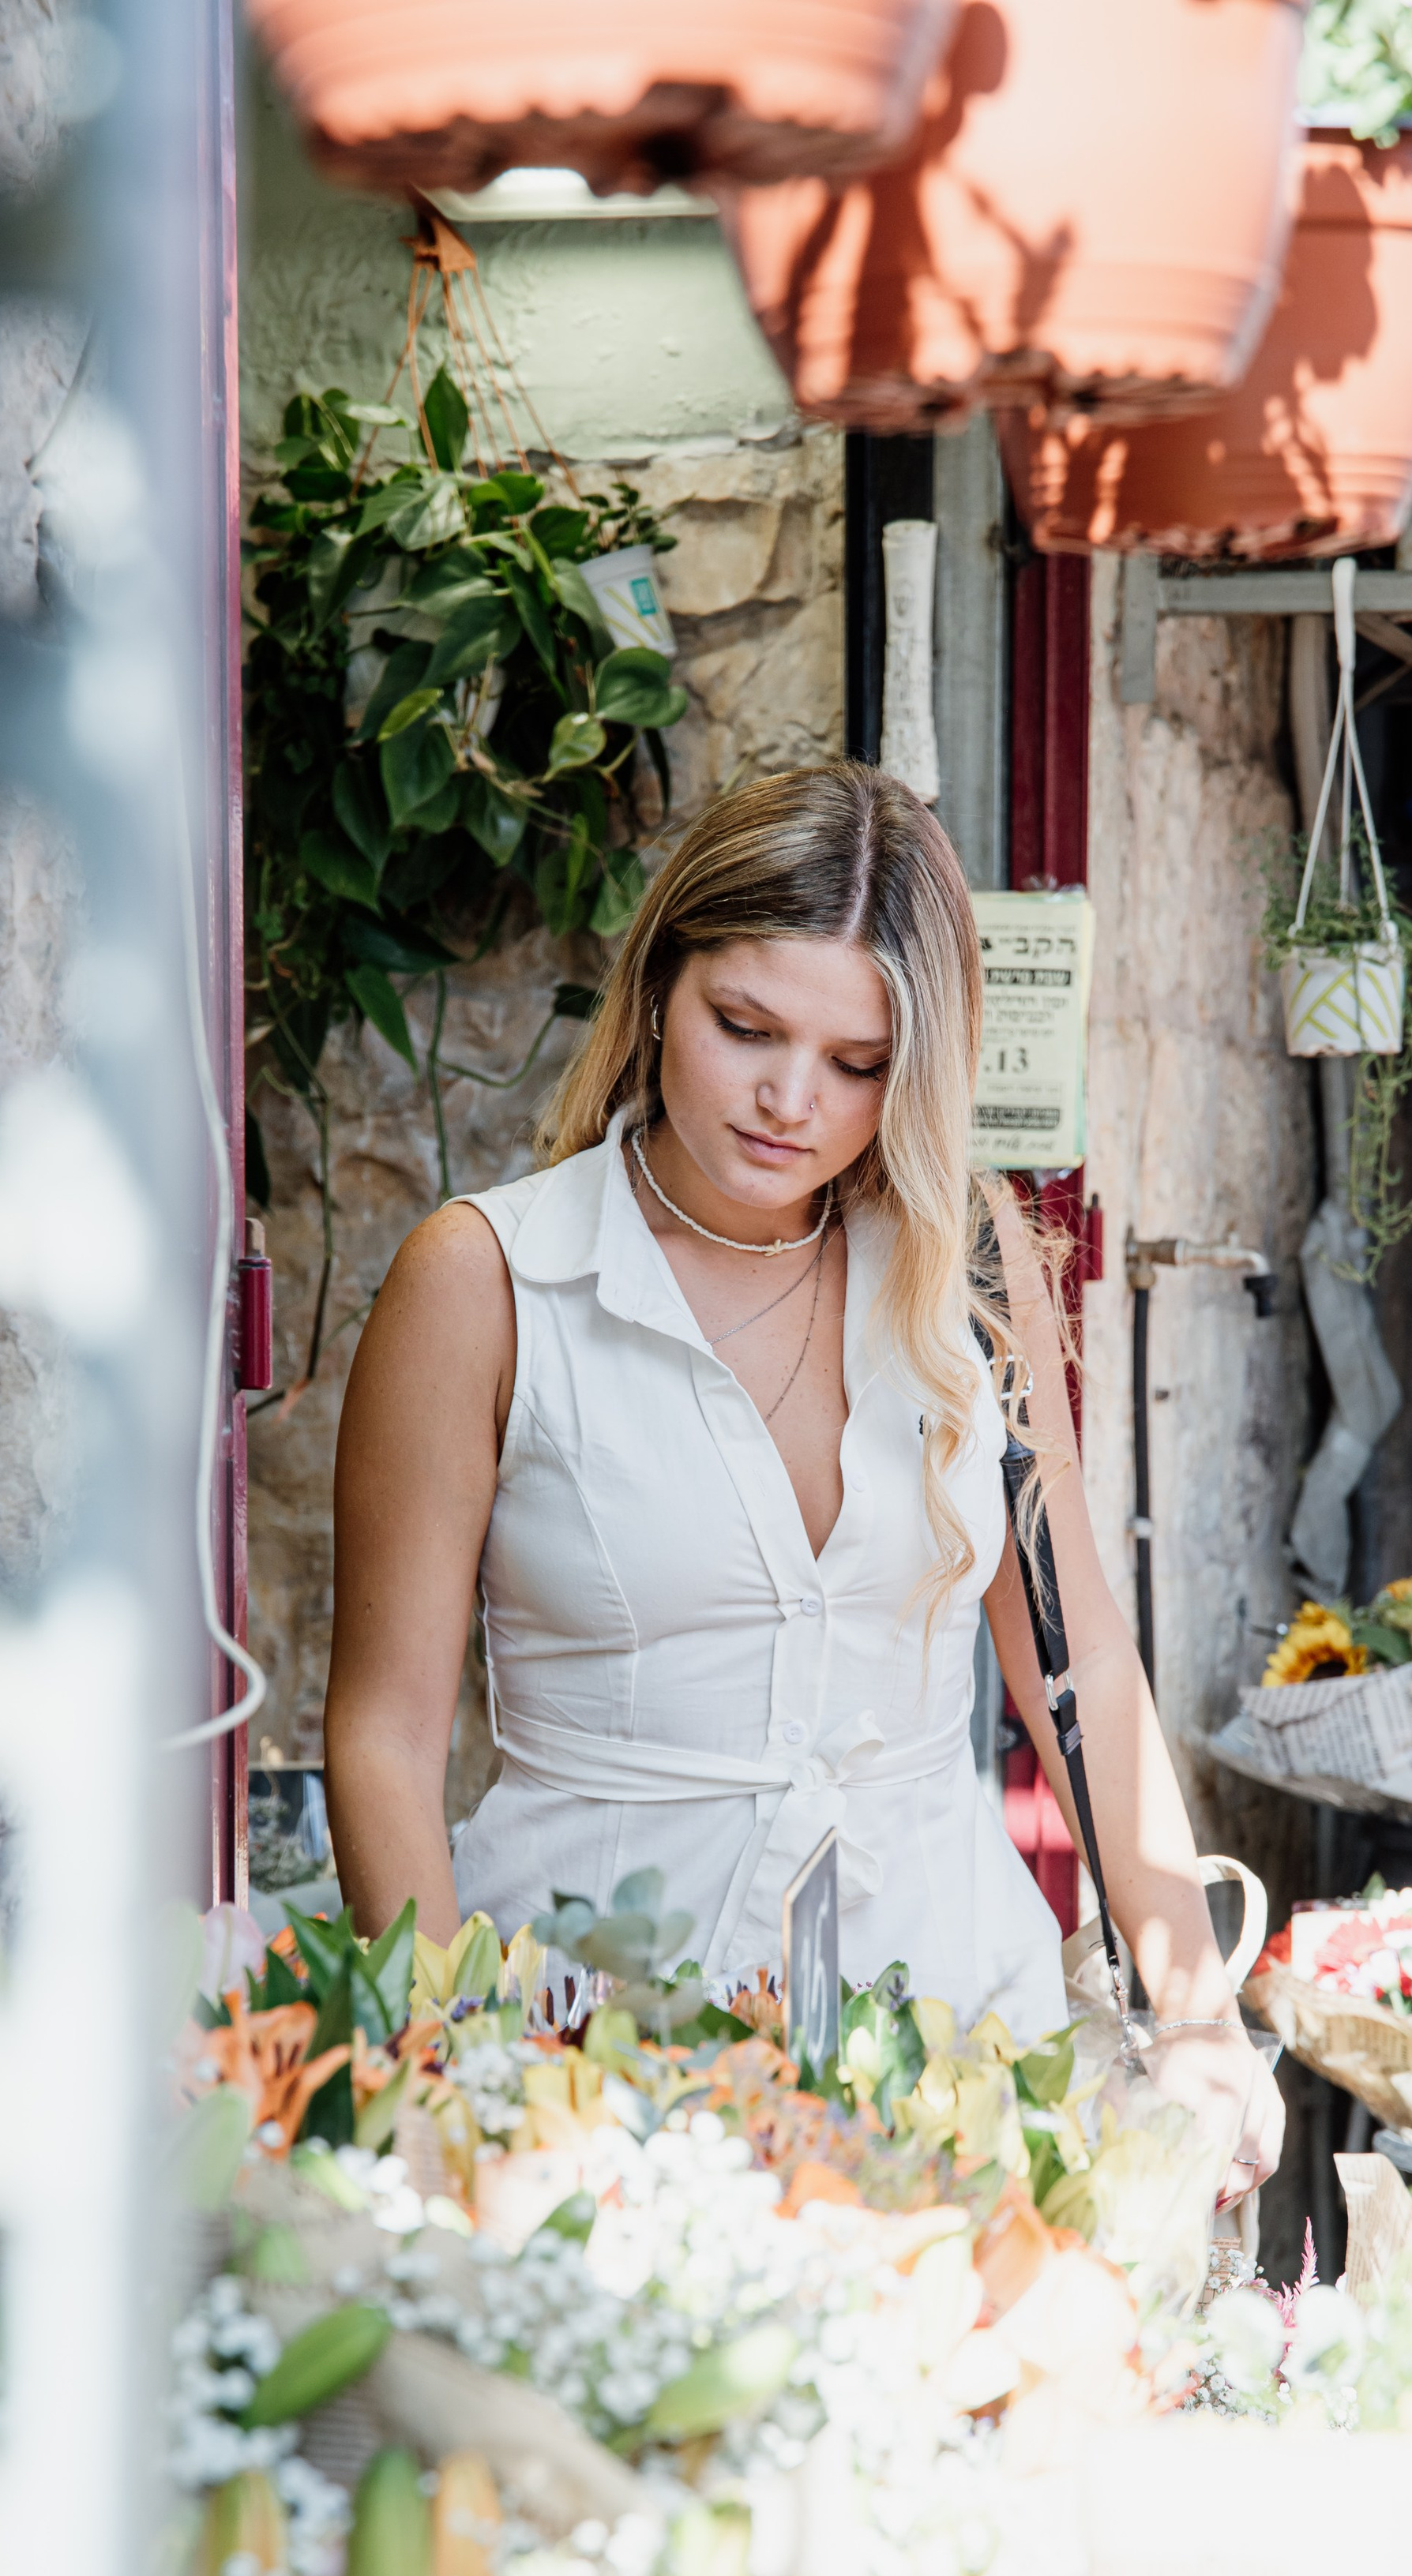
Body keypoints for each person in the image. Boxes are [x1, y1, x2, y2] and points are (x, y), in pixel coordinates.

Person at [325, 763, 1282, 2197]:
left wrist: (1198, 2013)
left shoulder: (963, 1257)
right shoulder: (488, 1280)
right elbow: (383, 1740)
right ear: (660, 987)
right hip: (590, 2047)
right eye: (746, 1028)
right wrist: (449, 2070)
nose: (791, 1101)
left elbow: (1075, 1649)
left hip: (954, 2040)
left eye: (859, 1063)